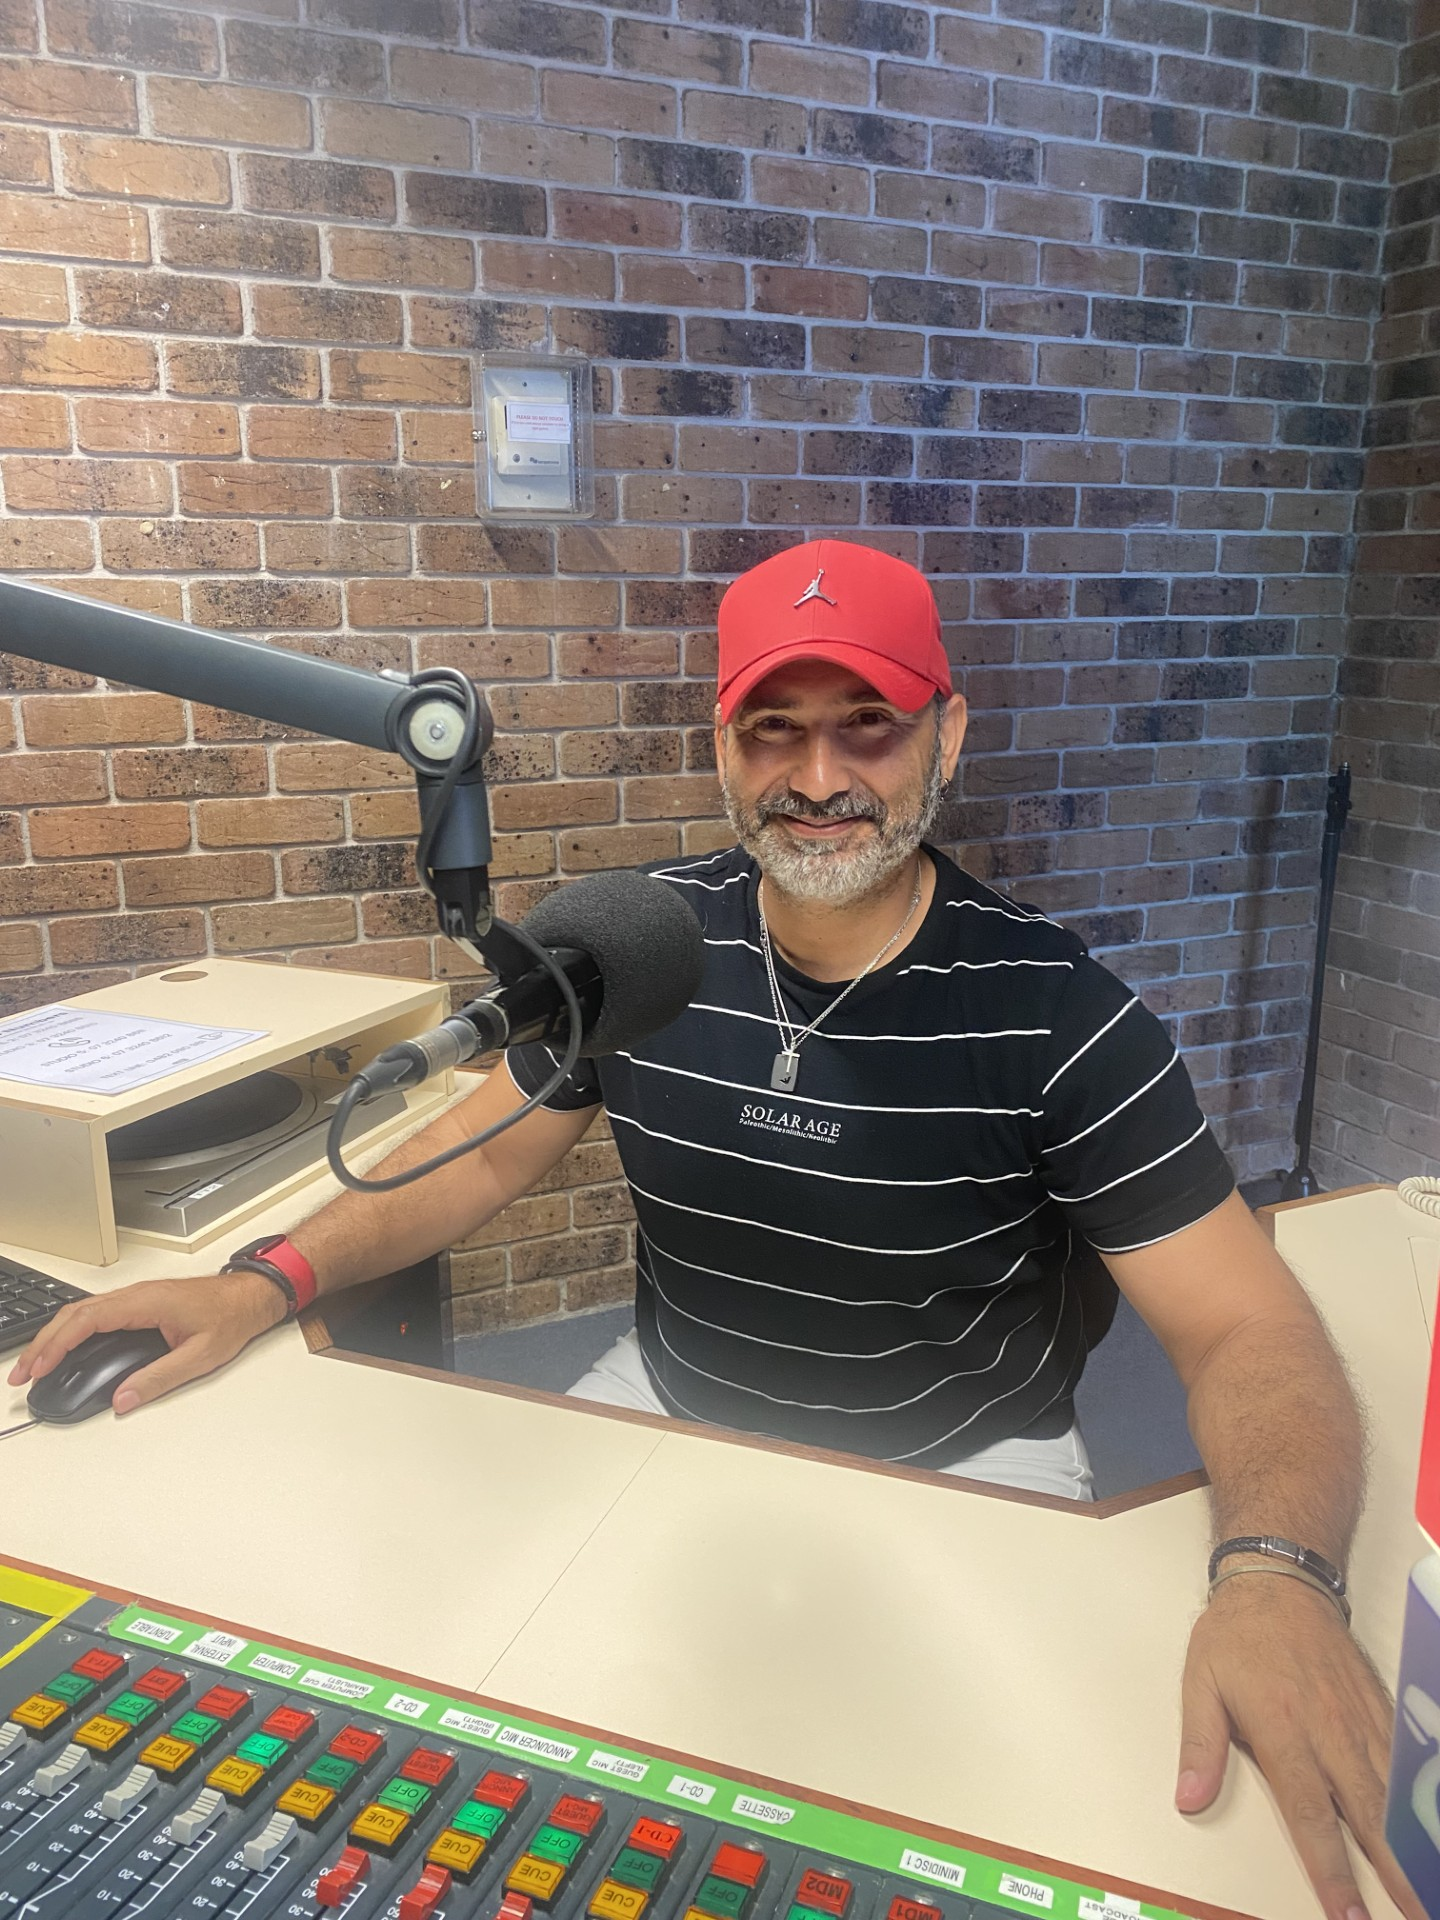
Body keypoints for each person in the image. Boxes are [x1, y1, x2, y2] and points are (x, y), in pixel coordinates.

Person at [10, 540, 1418, 1920]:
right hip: (673, 1408)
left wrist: (1278, 1576)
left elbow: (1248, 1326)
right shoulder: (640, 951)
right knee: (507, 1747)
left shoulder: (1060, 1013)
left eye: (868, 726)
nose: (819, 778)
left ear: (947, 735)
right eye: (774, 730)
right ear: (722, 747)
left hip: (972, 1463)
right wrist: (262, 1281)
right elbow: (466, 1158)